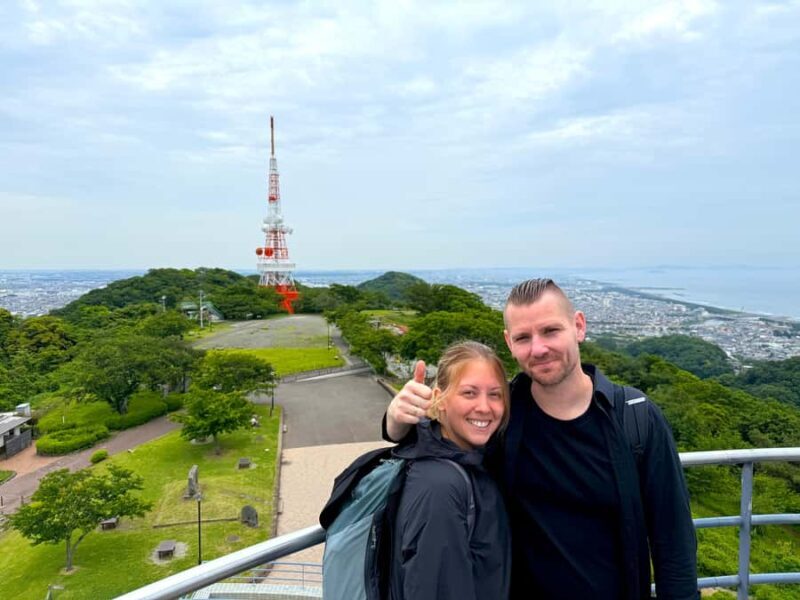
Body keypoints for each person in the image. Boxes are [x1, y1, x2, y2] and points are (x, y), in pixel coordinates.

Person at [386, 279, 698, 600]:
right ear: (509, 343)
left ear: (578, 326)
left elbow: (673, 544)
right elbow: (445, 443)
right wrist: (396, 421)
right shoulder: (502, 416)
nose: (538, 348)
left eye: (550, 331)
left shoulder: (636, 419)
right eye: (523, 337)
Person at [389, 340, 511, 600]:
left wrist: (393, 426)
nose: (484, 407)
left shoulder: (474, 457)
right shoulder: (440, 487)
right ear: (439, 399)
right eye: (469, 393)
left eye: (495, 394)